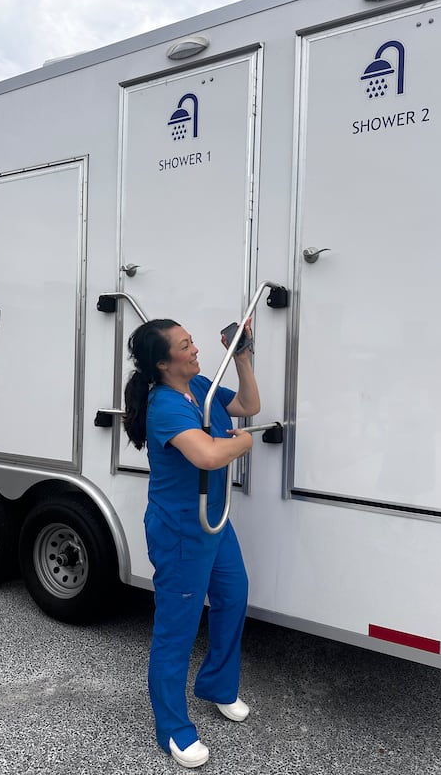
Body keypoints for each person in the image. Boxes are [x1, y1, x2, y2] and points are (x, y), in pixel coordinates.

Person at [123, 317, 260, 768]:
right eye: (185, 345)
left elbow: (247, 404)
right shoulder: (164, 405)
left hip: (214, 522)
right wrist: (241, 447)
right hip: (182, 530)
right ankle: (174, 730)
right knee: (176, 631)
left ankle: (218, 685)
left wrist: (240, 356)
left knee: (232, 597)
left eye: (192, 341)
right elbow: (206, 453)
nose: (195, 348)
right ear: (163, 363)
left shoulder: (201, 385)